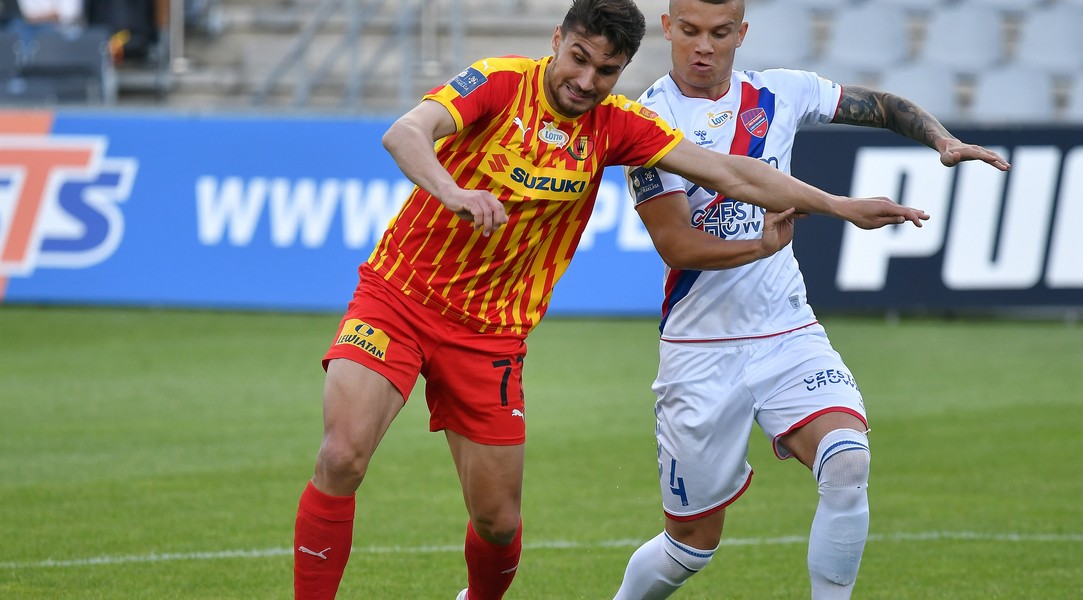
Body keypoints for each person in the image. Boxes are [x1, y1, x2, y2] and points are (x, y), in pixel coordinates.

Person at [290, 0, 931, 598]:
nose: (586, 80)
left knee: (497, 523)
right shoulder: (498, 82)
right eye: (578, 58)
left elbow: (732, 172)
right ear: (557, 41)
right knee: (343, 456)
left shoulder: (619, 126)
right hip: (398, 297)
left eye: (605, 70)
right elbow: (406, 133)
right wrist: (452, 192)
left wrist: (838, 205)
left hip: (491, 333)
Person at [611, 1, 1011, 599]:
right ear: (667, 28)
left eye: (720, 33)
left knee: (847, 463)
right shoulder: (646, 120)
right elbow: (677, 245)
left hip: (787, 331)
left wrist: (941, 139)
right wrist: (760, 244)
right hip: (701, 348)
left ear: (742, 33)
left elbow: (882, 105)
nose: (704, 47)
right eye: (689, 31)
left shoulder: (781, 92)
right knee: (689, 546)